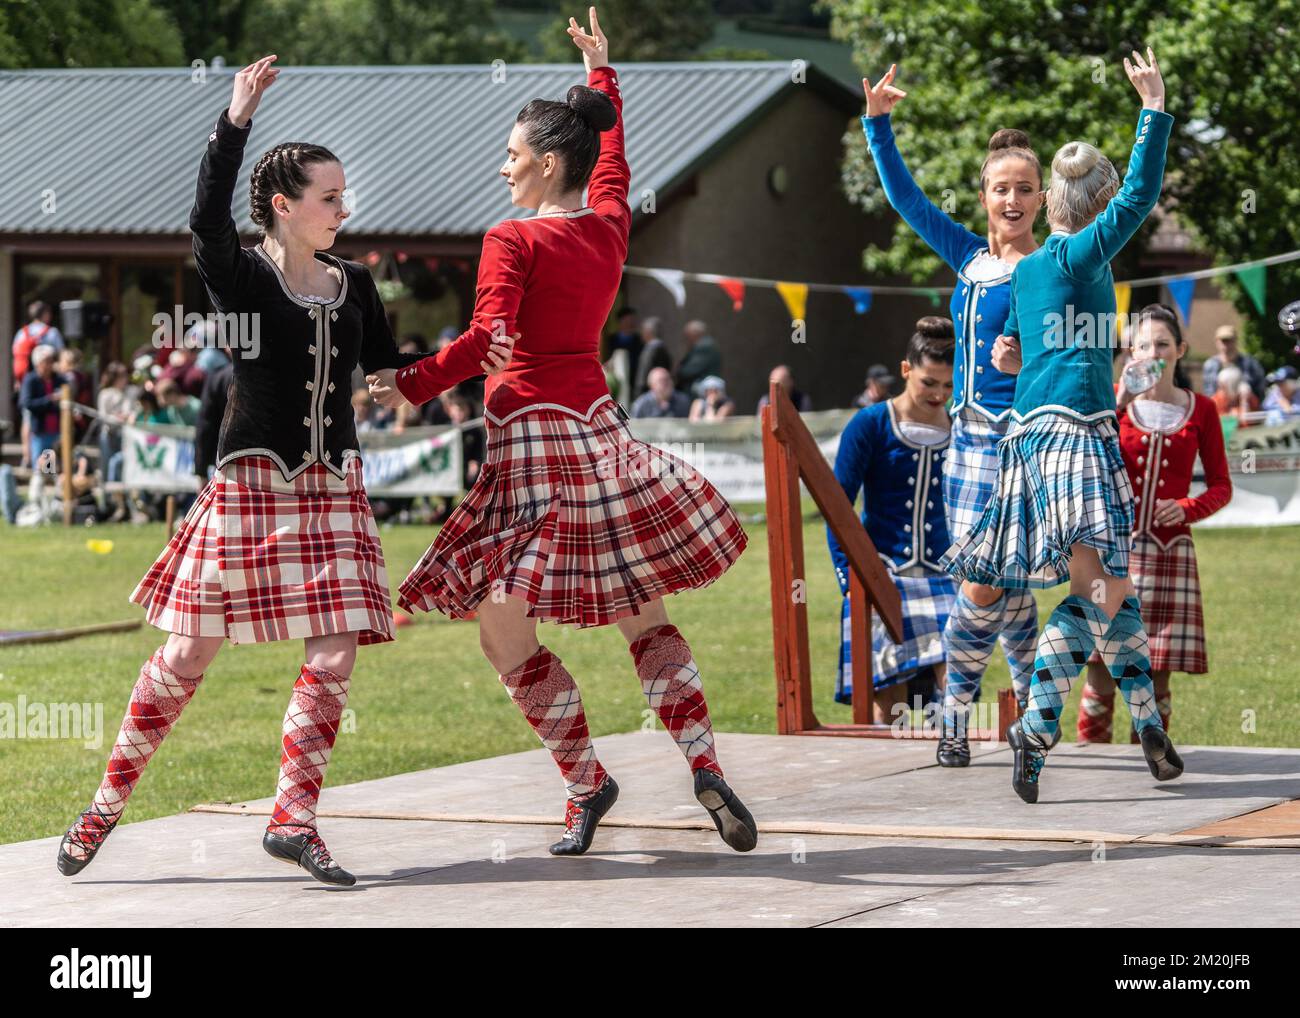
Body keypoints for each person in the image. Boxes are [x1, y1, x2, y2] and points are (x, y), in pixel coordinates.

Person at [56, 54, 514, 885]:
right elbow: (203, 221)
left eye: (343, 195)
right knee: (187, 654)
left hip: (333, 484)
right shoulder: (243, 280)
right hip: (249, 487)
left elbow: (386, 375)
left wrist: (473, 357)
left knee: (336, 655)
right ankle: (105, 806)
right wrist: (235, 122)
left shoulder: (357, 284)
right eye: (330, 198)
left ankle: (293, 820)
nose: (345, 208)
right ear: (284, 206)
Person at [368, 8, 757, 858]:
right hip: (603, 437)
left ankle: (586, 781)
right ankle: (702, 762)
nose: (501, 169)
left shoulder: (510, 238)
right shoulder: (609, 225)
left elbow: (488, 343)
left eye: (511, 158)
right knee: (641, 610)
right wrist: (603, 78)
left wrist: (406, 384)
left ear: (546, 164)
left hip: (534, 448)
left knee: (503, 628)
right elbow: (612, 161)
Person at [943, 47, 1184, 802]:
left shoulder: (1032, 269)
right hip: (1076, 439)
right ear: (1090, 208)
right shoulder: (1081, 256)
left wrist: (1013, 354)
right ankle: (1039, 726)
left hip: (1030, 438)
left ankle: (1146, 726)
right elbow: (1141, 197)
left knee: (1113, 588)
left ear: (1049, 202)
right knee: (1096, 593)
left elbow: (1020, 351)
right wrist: (1153, 111)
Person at [862, 63, 1044, 766]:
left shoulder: (1052, 266)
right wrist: (878, 124)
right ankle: (1012, 712)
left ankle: (963, 714)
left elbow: (1073, 356)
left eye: (1025, 189)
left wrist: (1024, 364)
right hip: (966, 444)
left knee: (1001, 582)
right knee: (998, 584)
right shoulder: (968, 257)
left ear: (1041, 199)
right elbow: (906, 201)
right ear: (984, 195)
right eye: (1001, 188)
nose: (1012, 199)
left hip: (1019, 442)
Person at [1077, 304, 1232, 743]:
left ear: (1180, 349)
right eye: (1143, 345)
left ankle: (1151, 759)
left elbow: (1221, 485)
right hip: (1112, 552)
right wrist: (1120, 401)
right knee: (1102, 669)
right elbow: (1084, 462)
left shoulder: (1201, 409)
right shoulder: (1109, 402)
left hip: (1171, 555)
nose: (1153, 352)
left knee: (1156, 676)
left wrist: (1187, 508)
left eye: (1163, 344)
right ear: (1130, 351)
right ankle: (1093, 763)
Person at [828, 317, 957, 723]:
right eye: (929, 382)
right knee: (891, 709)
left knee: (955, 692)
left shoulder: (963, 428)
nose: (939, 394)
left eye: (949, 385)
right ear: (906, 370)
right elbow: (837, 506)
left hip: (945, 574)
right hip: (883, 573)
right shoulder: (871, 424)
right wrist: (851, 579)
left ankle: (951, 747)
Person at [1201, 324, 1266, 402]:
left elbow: (1260, 391)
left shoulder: (1250, 363)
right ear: (1216, 342)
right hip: (1219, 409)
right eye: (1223, 341)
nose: (1226, 345)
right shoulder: (1210, 365)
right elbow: (1209, 393)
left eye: (1229, 340)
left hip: (1246, 408)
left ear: (1236, 341)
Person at [674, 319, 722, 397]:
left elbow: (688, 371)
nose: (686, 339)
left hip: (699, 390)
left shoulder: (704, 347)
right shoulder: (705, 345)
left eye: (687, 335)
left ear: (694, 333)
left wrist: (679, 370)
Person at [632, 315, 671, 398]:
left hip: (649, 394)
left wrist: (638, 394)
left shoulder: (651, 349)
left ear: (648, 332)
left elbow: (642, 376)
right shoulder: (663, 348)